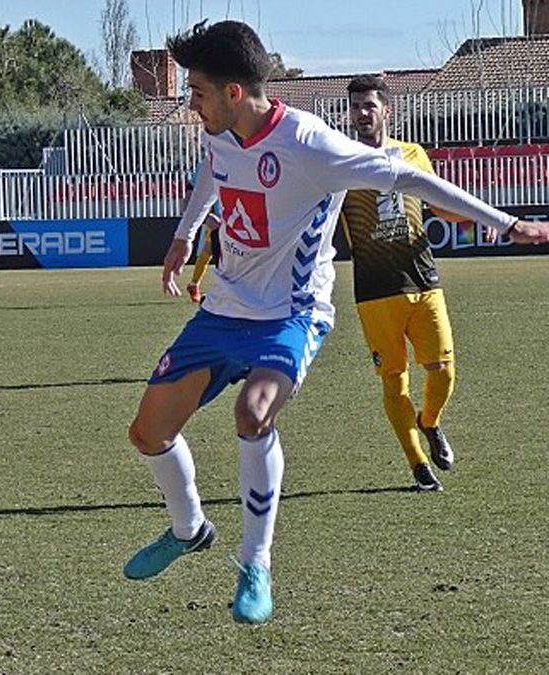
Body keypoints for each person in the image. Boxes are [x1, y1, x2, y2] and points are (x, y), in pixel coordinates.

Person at [123, 20, 549, 625]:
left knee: (253, 413)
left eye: (196, 90)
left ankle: (255, 561)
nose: (191, 102)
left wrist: (506, 224)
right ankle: (189, 528)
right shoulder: (220, 133)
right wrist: (185, 233)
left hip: (291, 314)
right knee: (147, 433)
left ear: (234, 91)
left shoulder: (309, 144)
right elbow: (211, 176)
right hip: (223, 308)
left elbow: (406, 176)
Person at [342, 74, 470, 492]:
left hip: (424, 279)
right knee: (393, 380)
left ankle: (429, 422)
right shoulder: (339, 162)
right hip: (375, 291)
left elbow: (440, 203)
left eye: (369, 106)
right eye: (356, 106)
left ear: (386, 111)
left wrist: (473, 217)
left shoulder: (413, 154)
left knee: (443, 373)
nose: (361, 113)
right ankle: (417, 464)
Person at [183, 156, 223, 303]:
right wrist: (206, 218)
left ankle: (195, 285)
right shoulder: (206, 165)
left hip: (237, 220)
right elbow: (189, 193)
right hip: (219, 221)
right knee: (212, 252)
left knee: (209, 251)